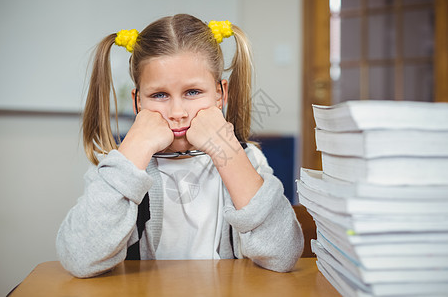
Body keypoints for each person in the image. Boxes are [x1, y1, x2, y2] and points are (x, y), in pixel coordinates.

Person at [56, 14, 304, 278]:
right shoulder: (119, 166)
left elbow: (284, 254)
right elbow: (80, 257)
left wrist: (228, 151)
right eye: (159, 95)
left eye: (193, 92)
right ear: (138, 102)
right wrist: (133, 151)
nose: (177, 112)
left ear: (220, 94)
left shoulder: (246, 158)